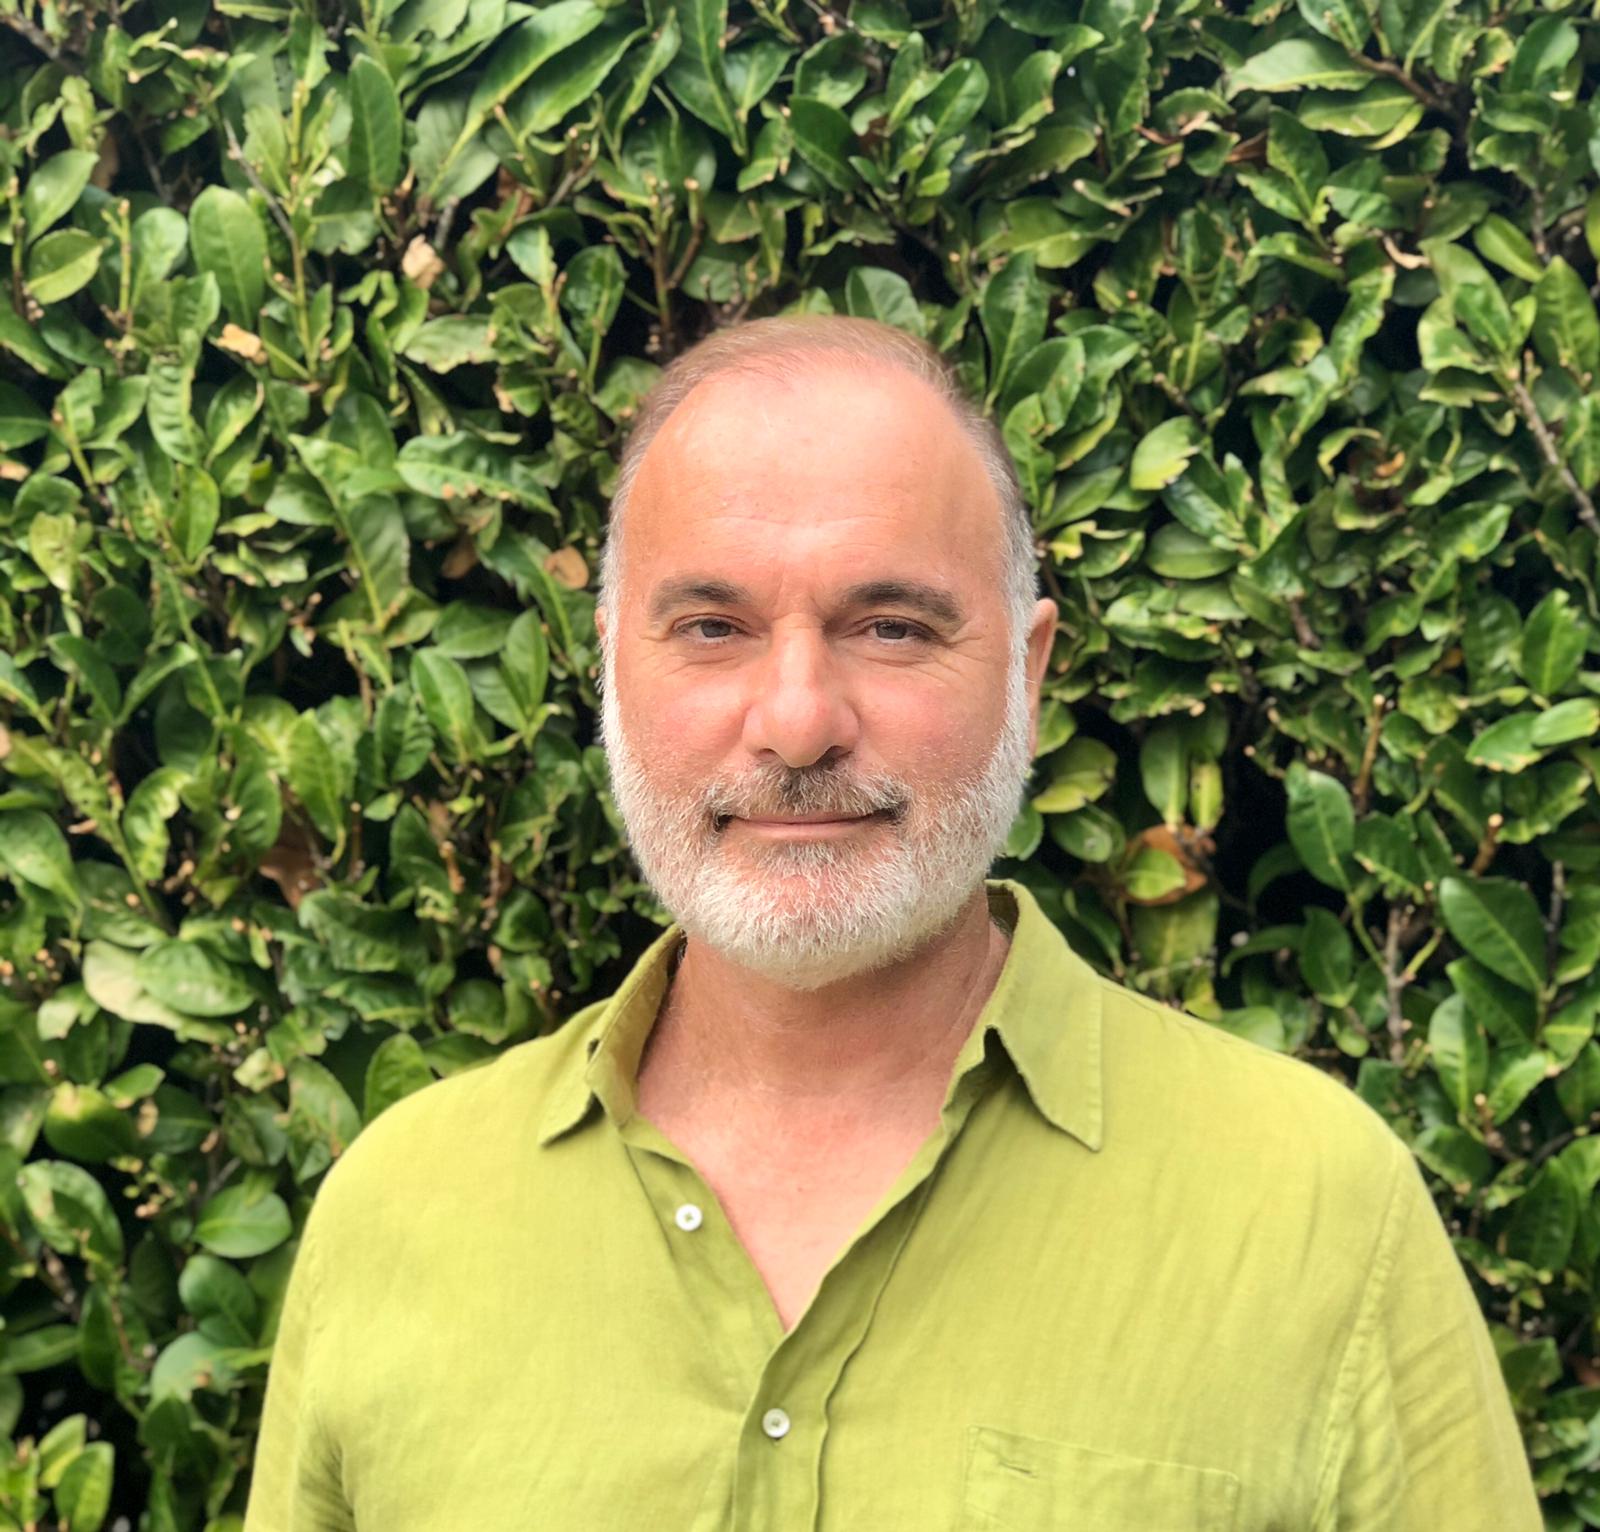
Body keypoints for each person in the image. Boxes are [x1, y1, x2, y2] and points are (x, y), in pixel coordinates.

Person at [243, 315, 1541, 1530]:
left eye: (891, 626)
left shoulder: (1316, 1212)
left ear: (1028, 673)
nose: (798, 721)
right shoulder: (397, 1214)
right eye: (712, 627)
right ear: (610, 669)